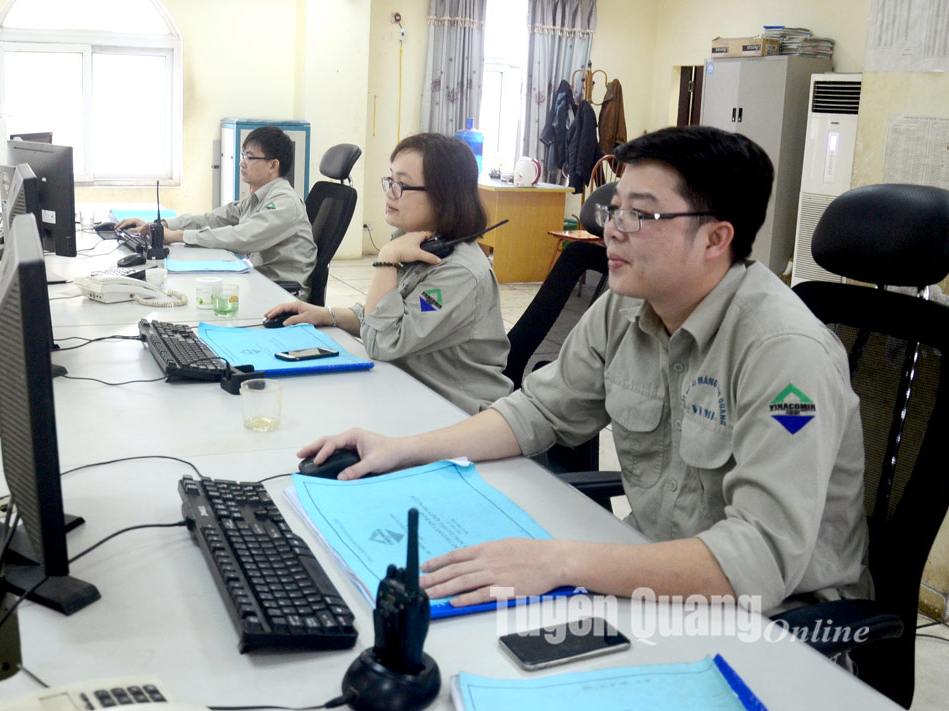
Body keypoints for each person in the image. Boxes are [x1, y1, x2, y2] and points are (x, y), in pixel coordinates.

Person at [298, 125, 870, 613]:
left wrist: (563, 560)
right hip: (651, 578)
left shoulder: (785, 352)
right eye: (615, 208)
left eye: (641, 215)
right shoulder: (626, 306)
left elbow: (760, 560)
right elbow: (536, 411)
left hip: (775, 621)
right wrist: (400, 448)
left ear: (717, 238)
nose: (612, 229)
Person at [264, 133, 511, 414]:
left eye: (402, 185)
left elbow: (383, 340)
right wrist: (326, 314)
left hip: (453, 410)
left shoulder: (460, 272)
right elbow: (385, 315)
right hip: (407, 389)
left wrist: (386, 260)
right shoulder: (420, 243)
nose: (389, 192)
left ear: (444, 196)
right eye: (390, 181)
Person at [117, 125, 317, 298]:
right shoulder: (257, 198)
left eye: (249, 157)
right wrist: (163, 226)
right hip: (260, 280)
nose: (242, 163)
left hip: (284, 293)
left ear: (273, 165)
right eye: (242, 155)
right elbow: (212, 219)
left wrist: (179, 236)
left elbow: (242, 237)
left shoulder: (285, 202)